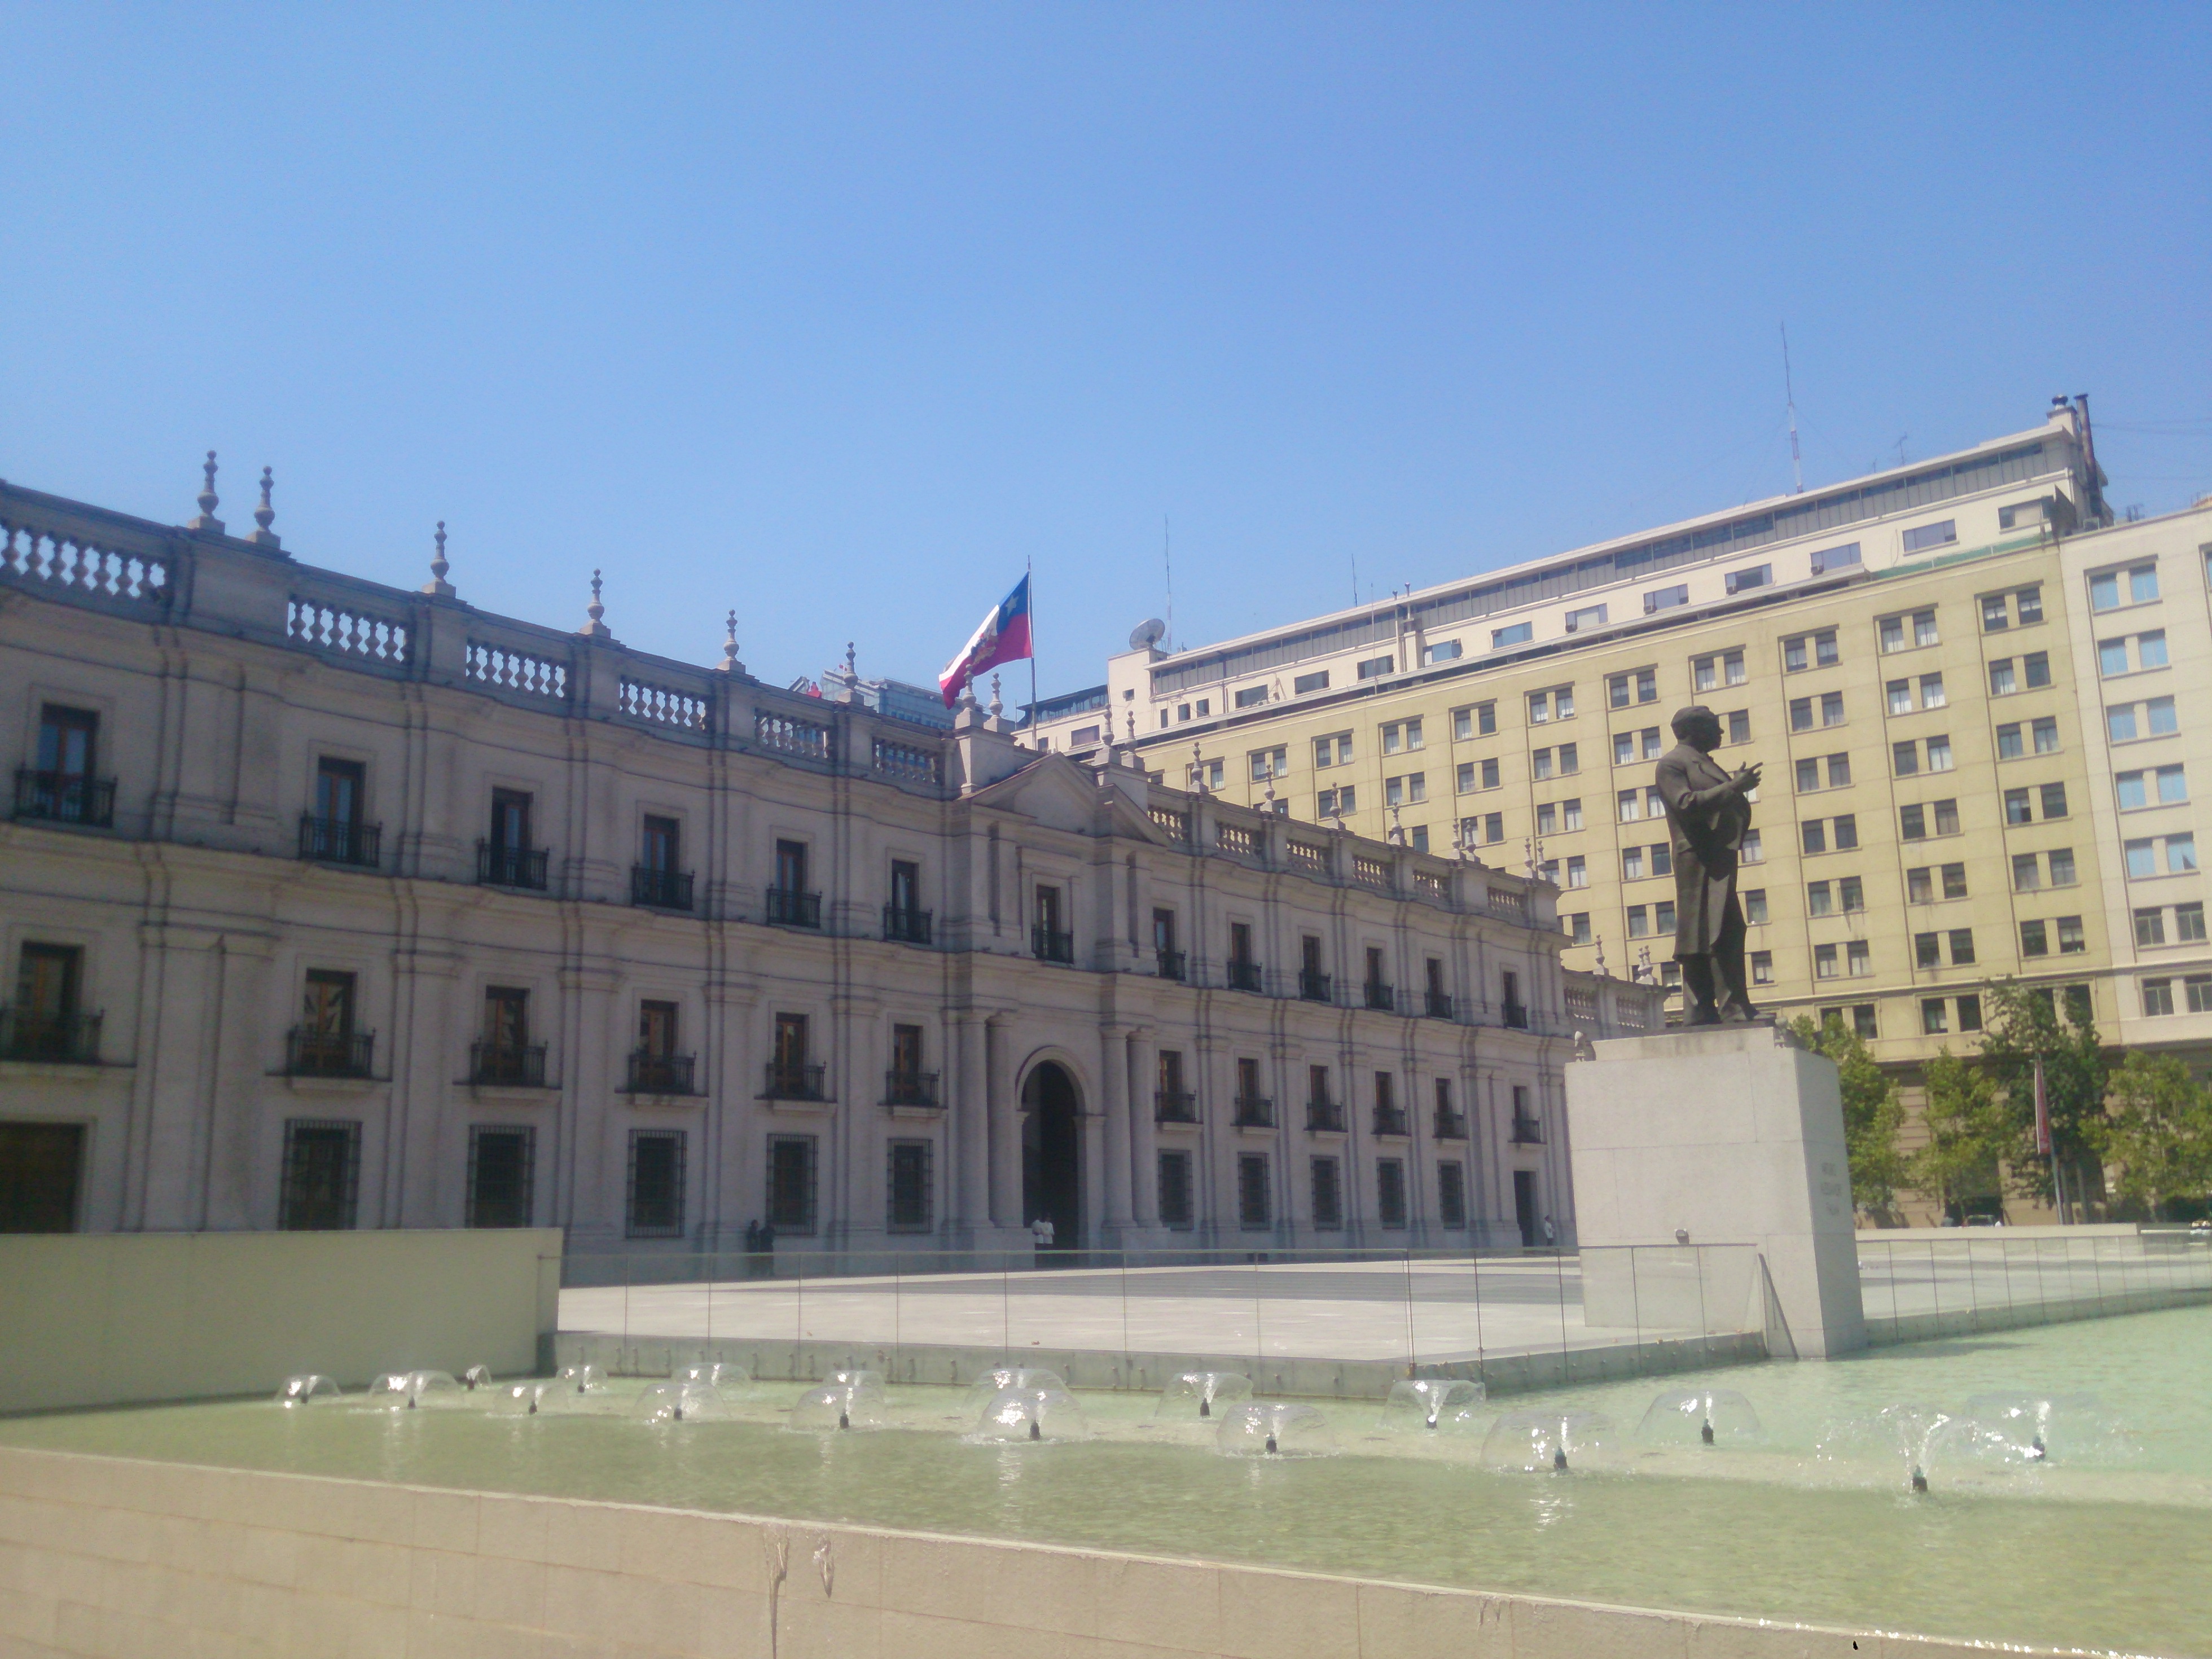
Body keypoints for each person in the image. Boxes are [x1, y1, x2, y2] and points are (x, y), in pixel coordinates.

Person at [1654, 705, 1763, 1024]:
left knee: (1725, 929)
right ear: (1694, 730)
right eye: (1714, 726)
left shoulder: (1702, 763)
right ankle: (1716, 1008)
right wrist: (1734, 787)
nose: (1721, 732)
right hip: (1698, 859)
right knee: (1703, 932)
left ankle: (1722, 1007)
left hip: (1718, 858)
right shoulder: (1672, 764)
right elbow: (1685, 804)